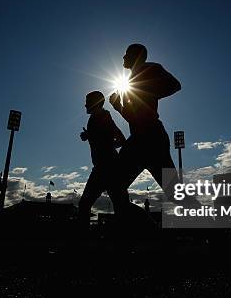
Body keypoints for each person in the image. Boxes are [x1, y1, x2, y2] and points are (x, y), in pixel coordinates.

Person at [109, 43, 184, 205]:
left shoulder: (149, 69)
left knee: (175, 193)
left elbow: (175, 85)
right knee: (115, 186)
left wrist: (147, 90)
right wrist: (118, 107)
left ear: (136, 56)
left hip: (150, 137)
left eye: (127, 53)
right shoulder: (129, 81)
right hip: (140, 138)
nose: (123, 57)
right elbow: (132, 117)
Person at [78, 91, 129, 228]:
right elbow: (114, 139)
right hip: (107, 168)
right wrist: (90, 136)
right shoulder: (97, 118)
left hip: (107, 169)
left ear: (94, 103)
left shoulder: (103, 116)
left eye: (87, 101)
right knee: (122, 207)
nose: (85, 105)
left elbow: (121, 140)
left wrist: (98, 140)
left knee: (84, 205)